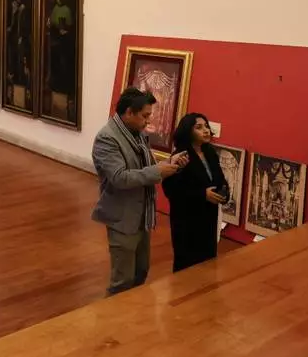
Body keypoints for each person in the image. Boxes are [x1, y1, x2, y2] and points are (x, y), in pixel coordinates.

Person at [91, 88, 188, 295]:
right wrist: (157, 171)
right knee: (122, 282)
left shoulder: (138, 134)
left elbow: (146, 167)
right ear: (129, 112)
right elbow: (120, 178)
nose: (148, 120)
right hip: (122, 217)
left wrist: (170, 163)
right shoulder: (107, 138)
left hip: (142, 216)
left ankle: (133, 312)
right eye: (145, 115)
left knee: (141, 271)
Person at [161, 113, 228, 272]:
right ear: (188, 131)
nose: (206, 130)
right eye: (199, 127)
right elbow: (172, 190)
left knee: (208, 263)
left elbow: (220, 179)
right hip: (187, 220)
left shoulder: (210, 153)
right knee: (187, 265)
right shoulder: (181, 156)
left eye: (206, 126)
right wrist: (202, 194)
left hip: (208, 217)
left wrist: (224, 193)